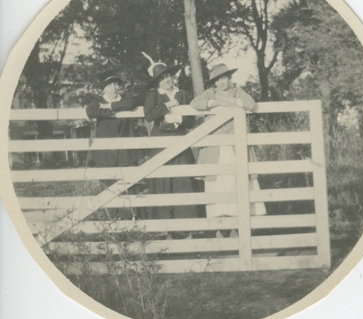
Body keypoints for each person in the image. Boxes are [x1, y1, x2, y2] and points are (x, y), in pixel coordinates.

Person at [190, 63, 266, 237]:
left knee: (235, 182)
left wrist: (231, 101)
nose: (221, 82)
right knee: (216, 185)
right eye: (217, 80)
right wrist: (215, 102)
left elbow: (251, 104)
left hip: (234, 147)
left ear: (229, 78)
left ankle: (236, 227)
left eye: (223, 78)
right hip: (215, 149)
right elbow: (195, 103)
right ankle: (218, 228)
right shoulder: (210, 93)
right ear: (214, 83)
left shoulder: (237, 92)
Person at [142, 53, 203, 222]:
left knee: (183, 180)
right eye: (162, 78)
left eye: (168, 76)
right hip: (160, 143)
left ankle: (188, 224)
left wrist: (181, 118)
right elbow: (149, 115)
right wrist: (166, 106)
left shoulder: (182, 94)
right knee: (162, 181)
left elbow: (192, 119)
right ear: (156, 82)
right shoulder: (153, 96)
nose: (167, 80)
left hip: (180, 140)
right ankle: (165, 227)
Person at [86, 69, 146, 219]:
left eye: (116, 84)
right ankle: (112, 224)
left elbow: (131, 103)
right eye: (109, 85)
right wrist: (107, 109)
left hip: (126, 154)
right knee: (108, 189)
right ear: (104, 88)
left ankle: (134, 222)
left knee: (131, 186)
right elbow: (90, 111)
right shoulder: (98, 102)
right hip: (105, 155)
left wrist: (110, 107)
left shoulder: (126, 98)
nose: (113, 88)